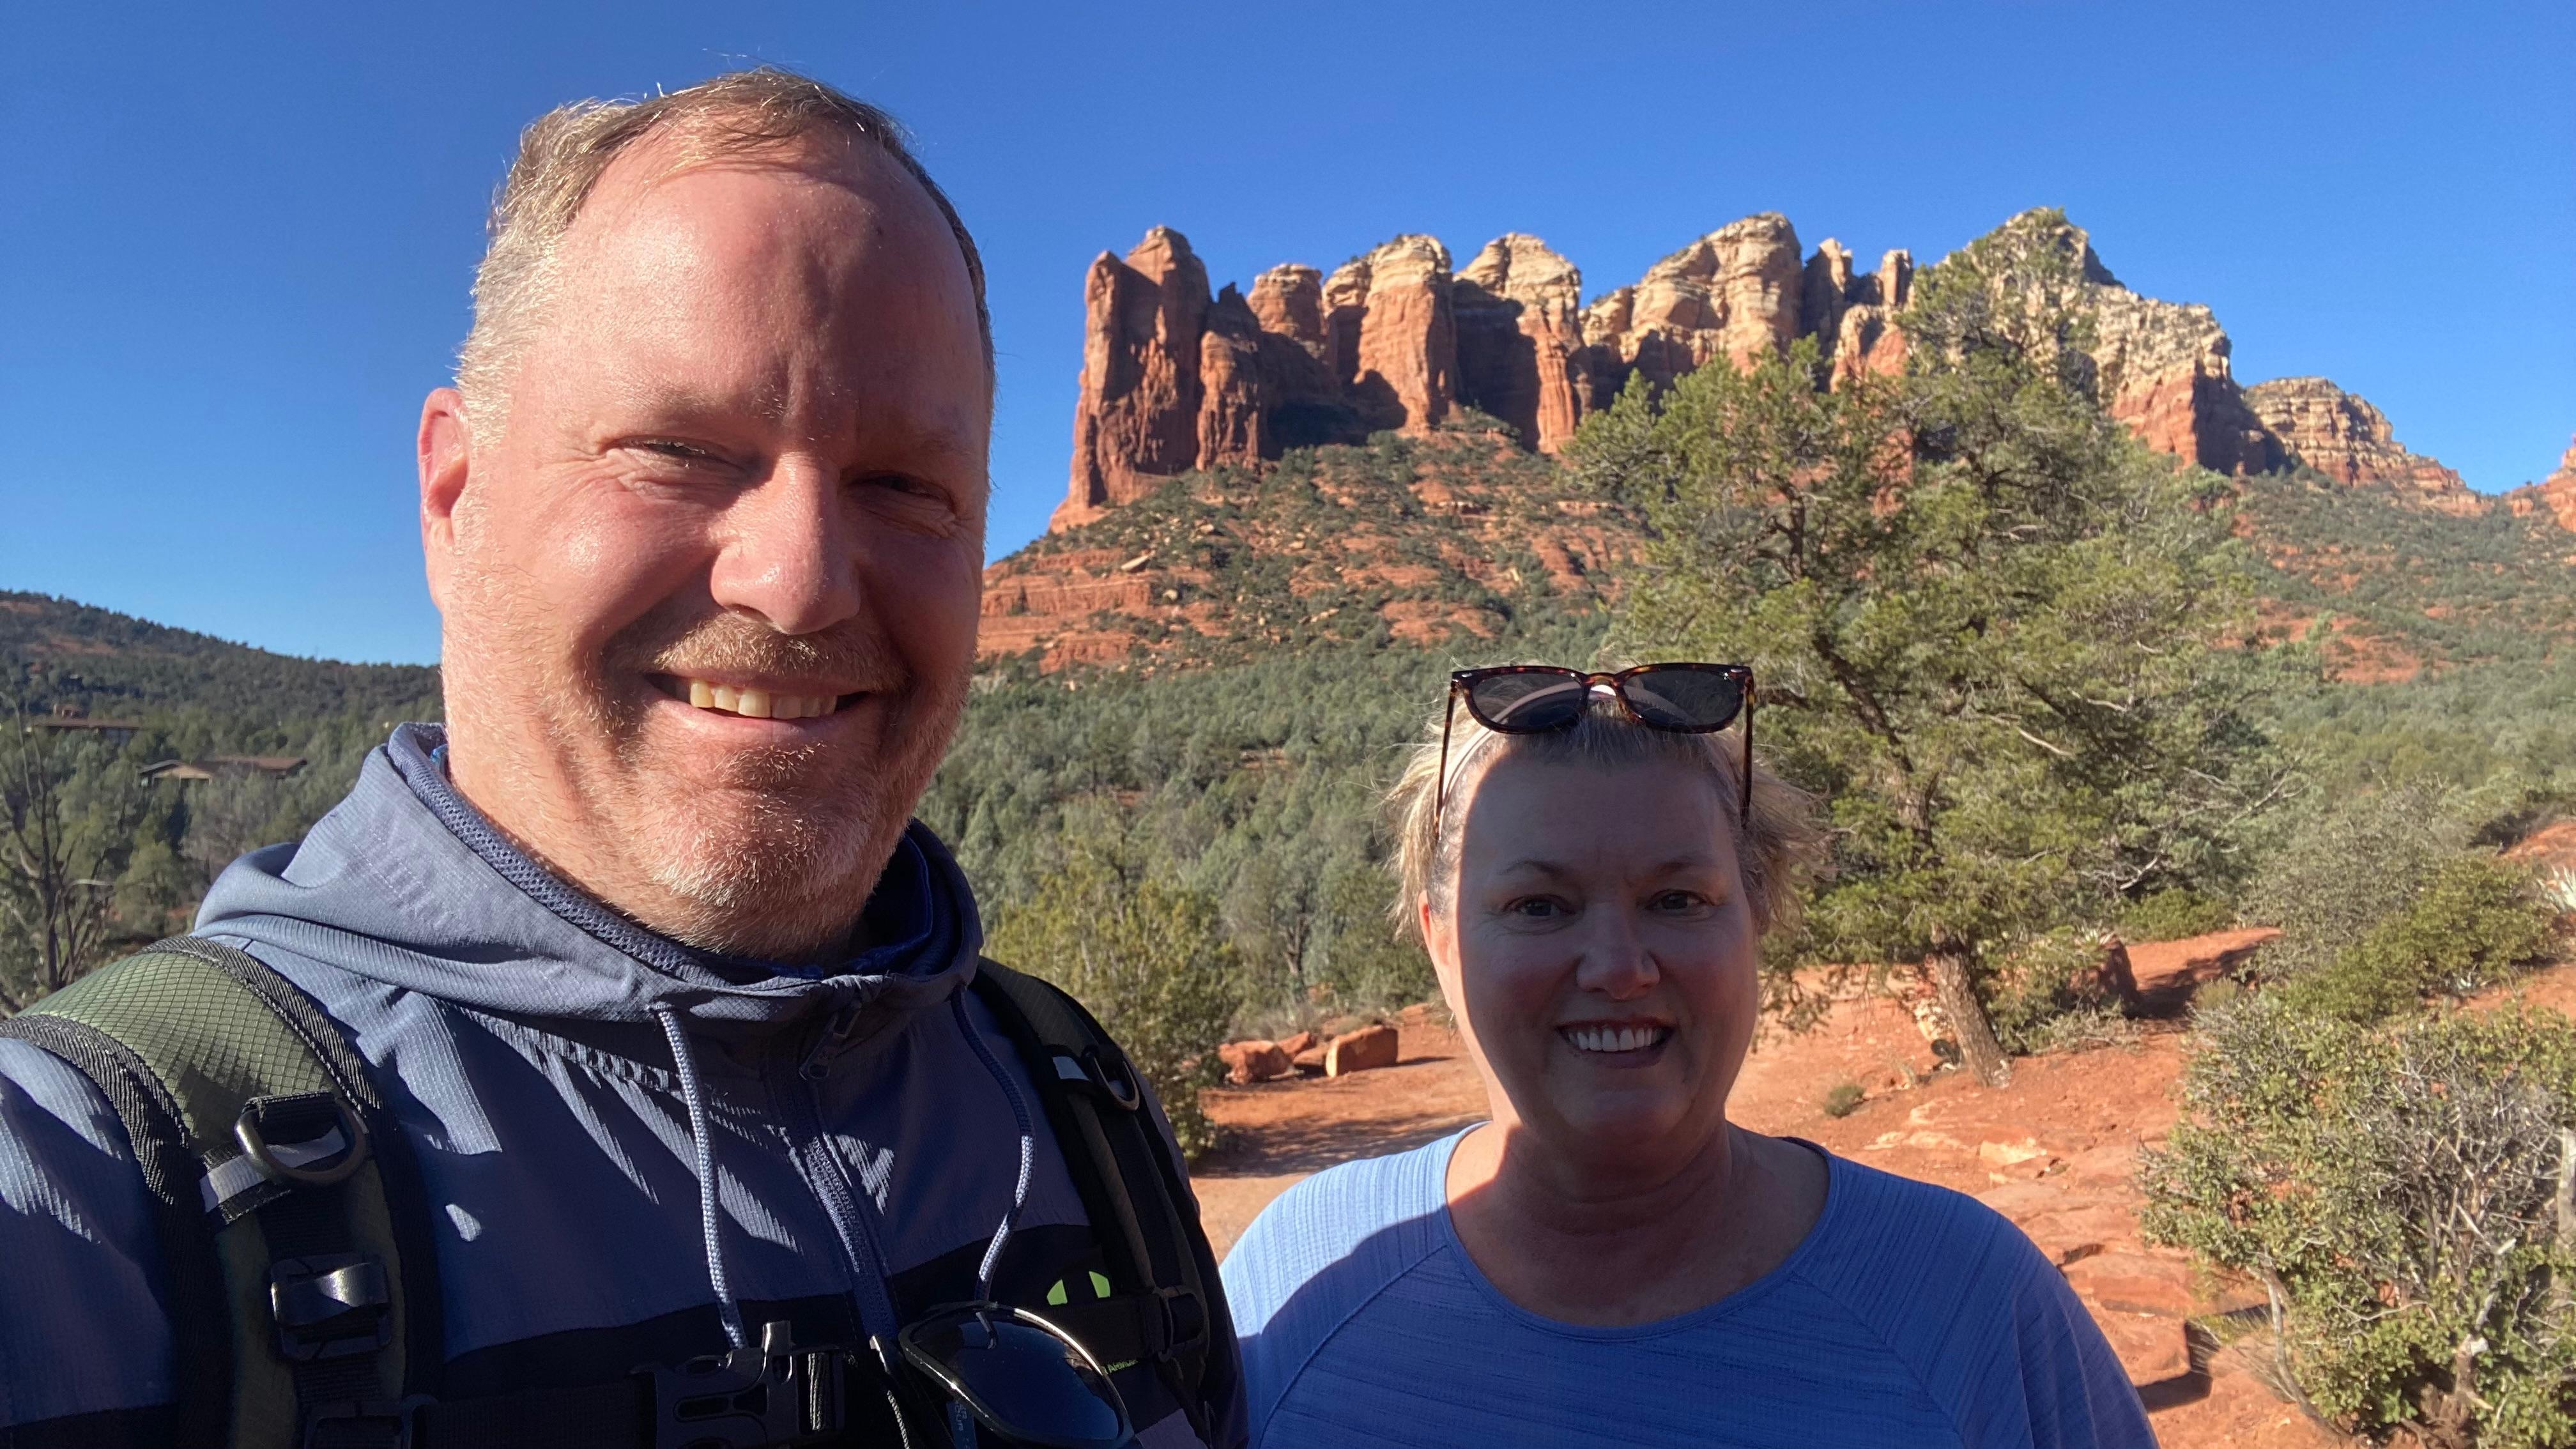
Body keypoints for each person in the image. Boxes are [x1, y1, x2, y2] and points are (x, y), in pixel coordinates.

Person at [0, 70, 1242, 1449]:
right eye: (681, 451)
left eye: (906, 485)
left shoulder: (1074, 1113)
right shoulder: (105, 1190)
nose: (804, 581)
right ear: (455, 497)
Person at [1220, 664, 2156, 1448]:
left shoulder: (1963, 1305)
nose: (1620, 968)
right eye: (1539, 907)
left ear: (1759, 919)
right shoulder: (1297, 1279)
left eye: (1678, 900)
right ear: (1441, 940)